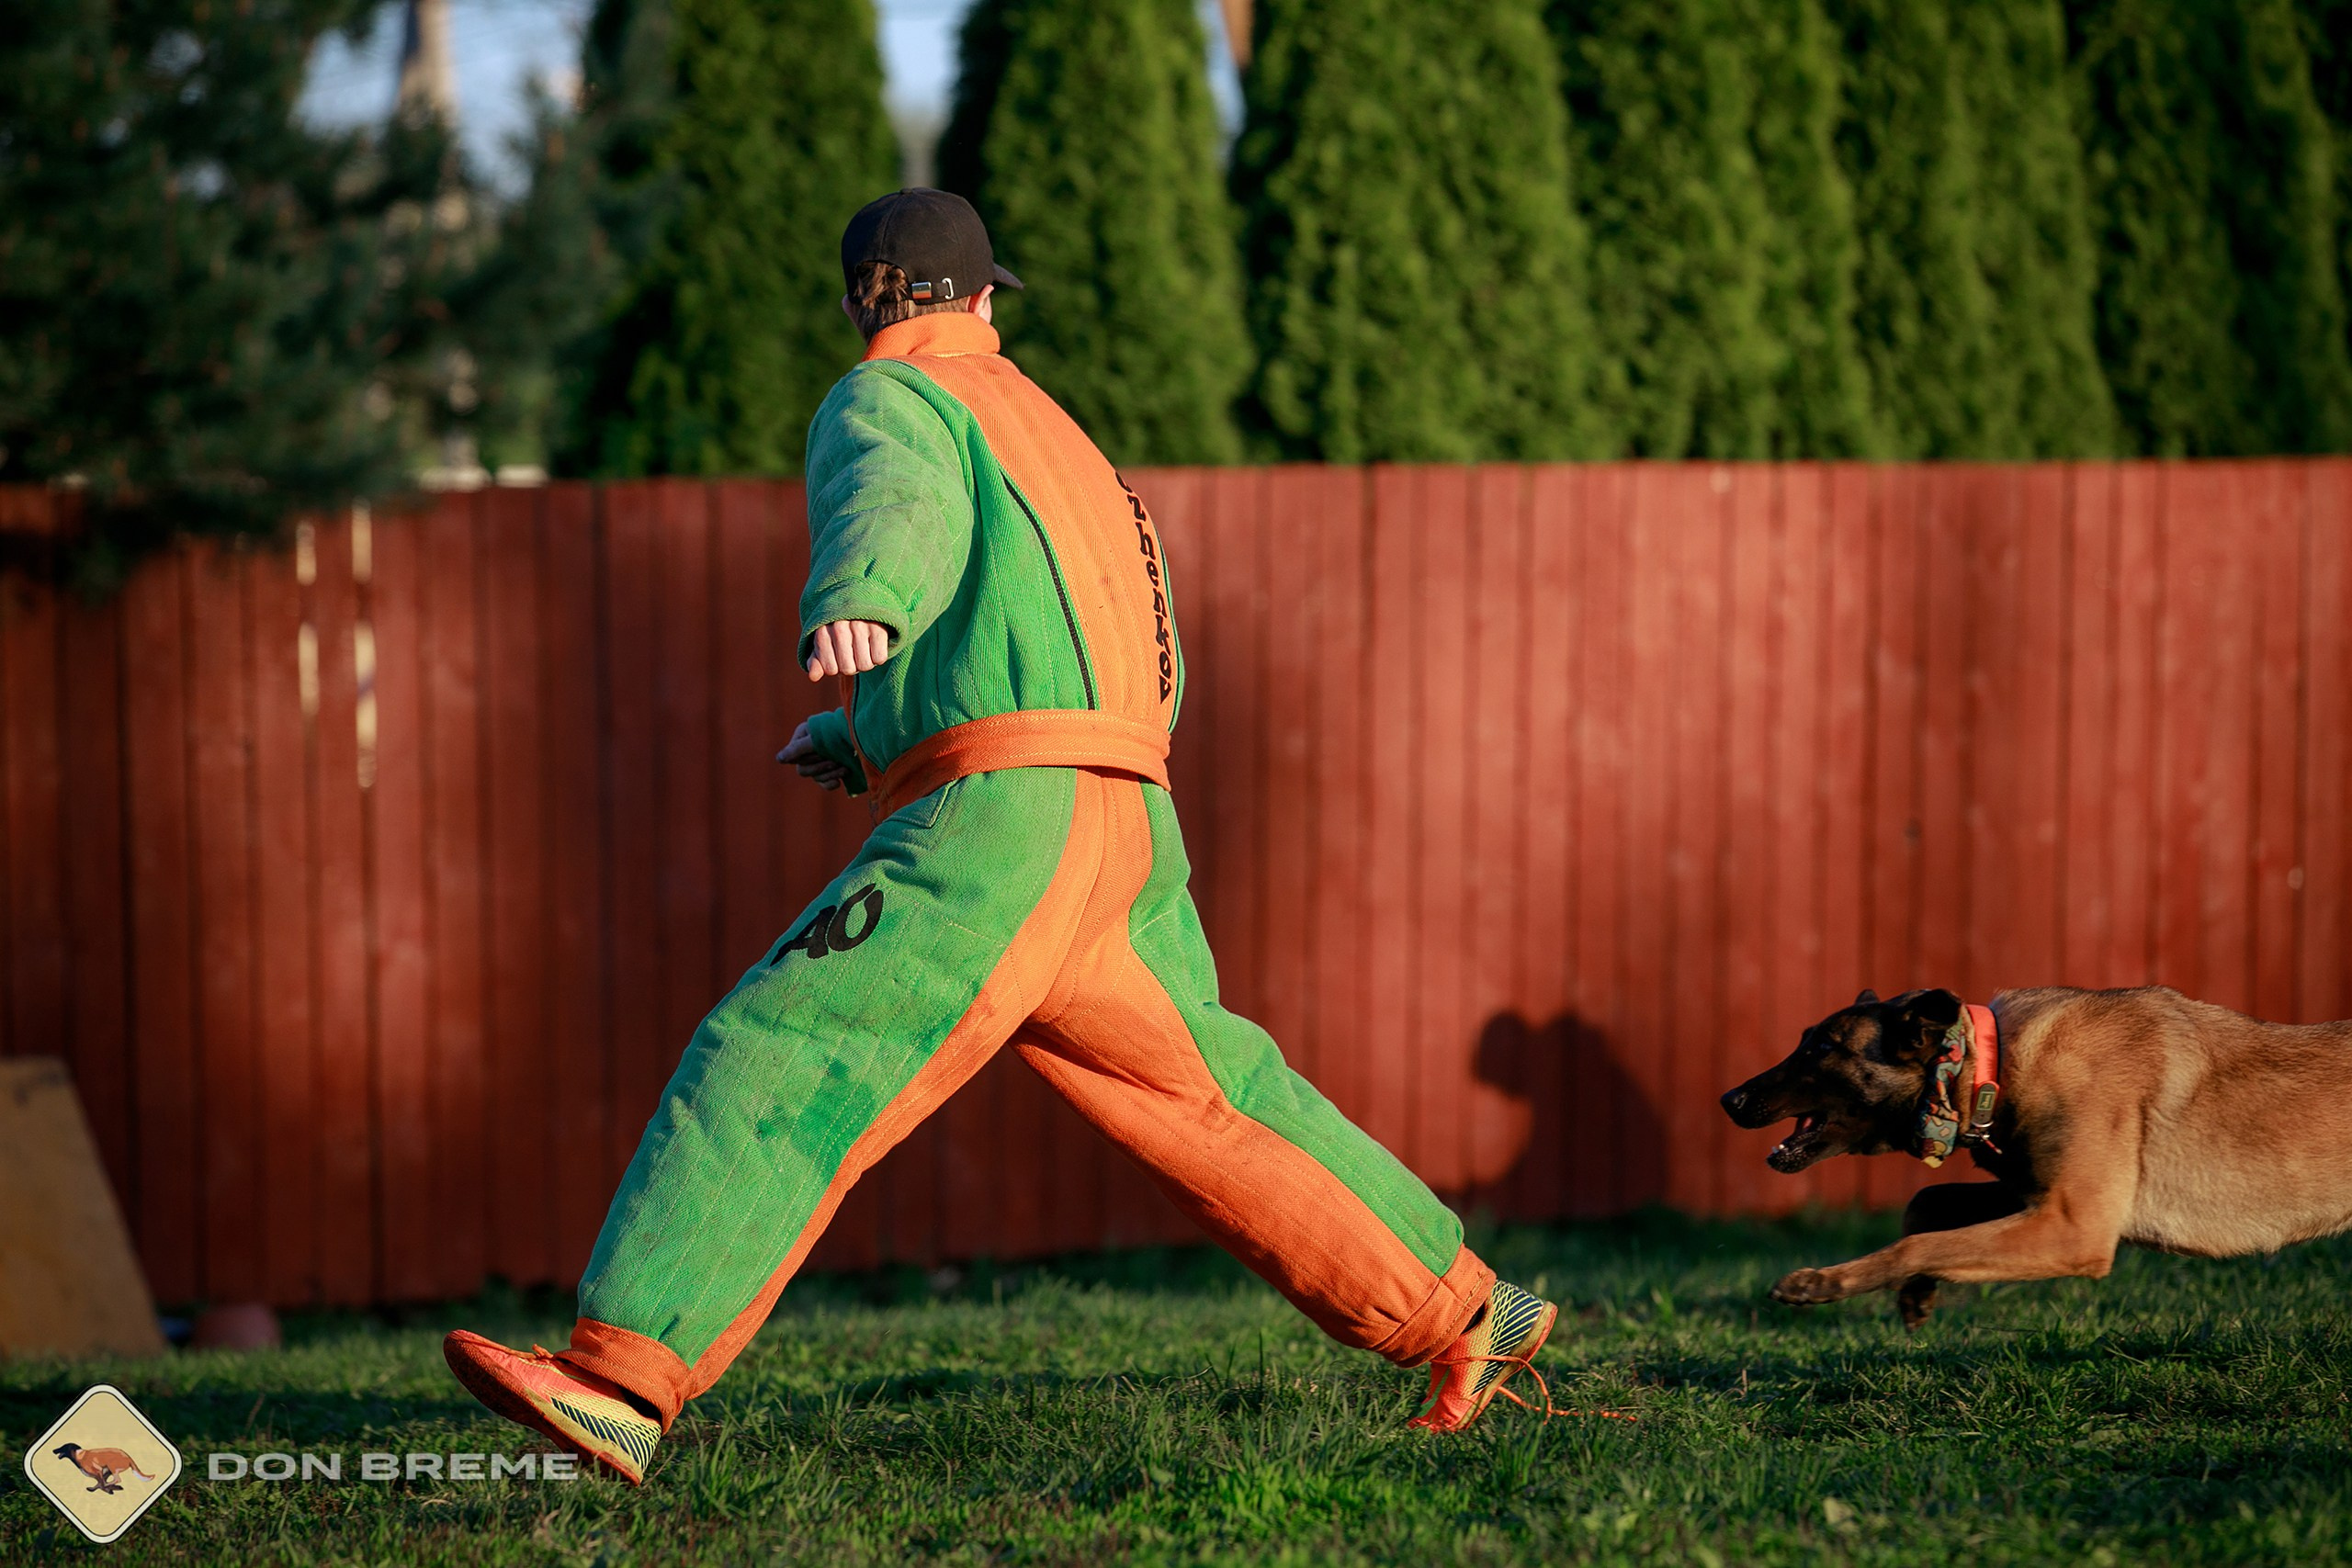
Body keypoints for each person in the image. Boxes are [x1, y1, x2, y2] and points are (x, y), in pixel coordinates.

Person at [443, 190, 1558, 1483]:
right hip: (1129, 819)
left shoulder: (891, 401)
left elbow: (896, 508)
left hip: (1003, 827)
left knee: (787, 1044)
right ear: (978, 298)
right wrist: (873, 737)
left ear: (867, 303)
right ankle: (1468, 1310)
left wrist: (861, 603)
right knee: (1214, 1096)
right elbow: (1092, 621)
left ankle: (617, 1380)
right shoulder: (1065, 435)